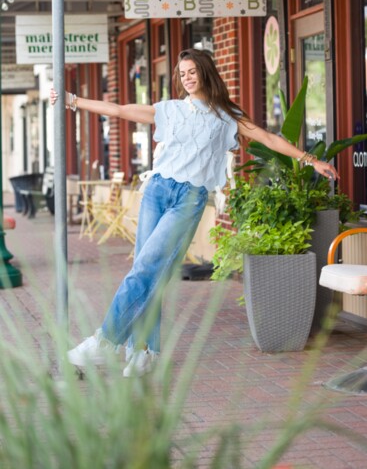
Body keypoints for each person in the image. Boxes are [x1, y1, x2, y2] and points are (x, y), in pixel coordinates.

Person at [50, 48, 339, 377]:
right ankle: (145, 352)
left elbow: (268, 138)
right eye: (182, 73)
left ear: (205, 73)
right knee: (147, 272)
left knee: (147, 267)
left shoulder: (227, 116)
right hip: (156, 191)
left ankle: (105, 342)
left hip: (189, 198)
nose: (186, 78)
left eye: (192, 72)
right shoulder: (169, 110)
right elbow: (119, 110)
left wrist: (310, 159)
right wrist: (74, 100)